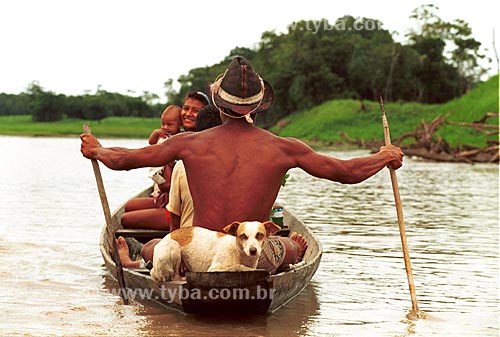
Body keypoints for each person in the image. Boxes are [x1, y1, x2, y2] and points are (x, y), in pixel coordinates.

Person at [82, 56, 404, 273]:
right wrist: (384, 156)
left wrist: (97, 149)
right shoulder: (284, 148)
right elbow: (346, 172)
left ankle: (140, 260)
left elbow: (126, 160)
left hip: (202, 257)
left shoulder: (188, 144)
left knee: (155, 246)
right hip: (254, 260)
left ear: (219, 104)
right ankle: (285, 251)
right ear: (257, 107)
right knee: (291, 248)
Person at [121, 91, 210, 230]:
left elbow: (165, 185)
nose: (188, 113)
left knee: (125, 219)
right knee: (128, 206)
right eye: (186, 108)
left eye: (195, 111)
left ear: (204, 114)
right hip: (169, 198)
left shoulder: (202, 140)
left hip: (184, 208)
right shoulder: (176, 137)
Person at [168, 104, 222, 231]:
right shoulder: (239, 162)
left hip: (192, 243)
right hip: (224, 241)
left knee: (150, 247)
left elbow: (174, 222)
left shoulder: (183, 164)